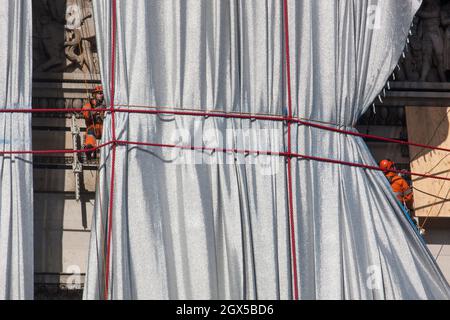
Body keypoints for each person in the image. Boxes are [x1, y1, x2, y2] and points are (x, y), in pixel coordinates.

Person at [82, 85, 105, 160]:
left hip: (104, 128)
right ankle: (89, 148)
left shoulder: (106, 105)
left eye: (102, 93)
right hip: (93, 128)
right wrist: (96, 110)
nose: (102, 95)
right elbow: (86, 114)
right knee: (90, 132)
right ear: (95, 95)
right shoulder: (89, 105)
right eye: (100, 93)